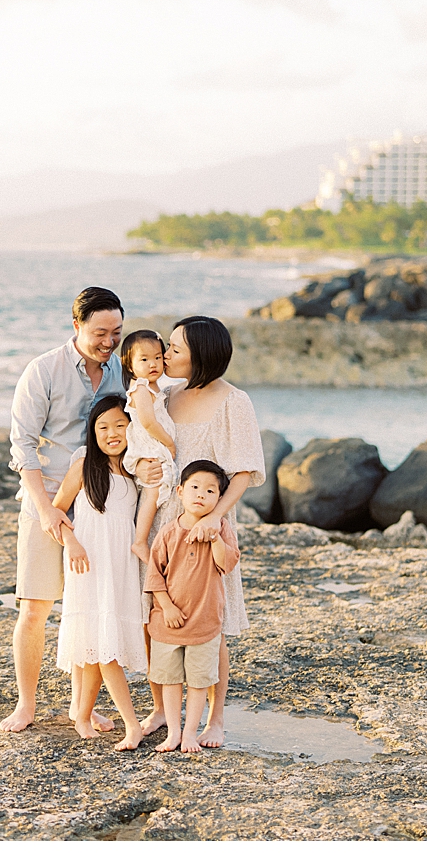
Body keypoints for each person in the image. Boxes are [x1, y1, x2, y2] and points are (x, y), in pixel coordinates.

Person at [1, 286, 127, 733]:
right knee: (35, 607)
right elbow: (22, 447)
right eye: (99, 333)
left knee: (89, 607)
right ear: (76, 326)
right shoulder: (43, 370)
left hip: (97, 502)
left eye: (116, 331)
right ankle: (26, 705)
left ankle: (83, 705)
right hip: (46, 498)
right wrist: (47, 509)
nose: (109, 341)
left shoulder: (121, 371)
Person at [138, 316, 264, 748]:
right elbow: (145, 449)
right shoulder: (165, 394)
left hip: (209, 525)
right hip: (162, 520)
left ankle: (215, 719)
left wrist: (216, 519)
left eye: (174, 348)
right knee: (156, 615)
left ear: (202, 353)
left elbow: (245, 471)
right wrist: (145, 467)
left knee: (212, 623)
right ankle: (160, 709)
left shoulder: (234, 401)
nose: (164, 354)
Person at [48, 395, 147, 750]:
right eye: (103, 427)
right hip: (88, 561)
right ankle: (131, 724)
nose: (112, 433)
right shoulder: (85, 465)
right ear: (92, 431)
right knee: (105, 648)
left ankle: (81, 712)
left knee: (97, 640)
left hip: (120, 566)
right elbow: (57, 513)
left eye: (120, 425)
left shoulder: (135, 469)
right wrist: (71, 543)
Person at [145, 460, 241, 753]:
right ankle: (173, 732)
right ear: (180, 491)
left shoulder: (221, 528)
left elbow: (227, 564)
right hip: (167, 623)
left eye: (210, 490)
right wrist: (167, 607)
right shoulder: (168, 533)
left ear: (218, 499)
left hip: (204, 622)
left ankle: (190, 733)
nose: (201, 494)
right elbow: (153, 575)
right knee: (171, 680)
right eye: (195, 487)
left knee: (199, 681)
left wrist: (213, 539)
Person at [117, 329, 176, 563]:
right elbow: (148, 422)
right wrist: (169, 442)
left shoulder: (154, 387)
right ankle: (140, 540)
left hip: (155, 443)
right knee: (153, 488)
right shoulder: (140, 388)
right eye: (144, 359)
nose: (153, 364)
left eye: (158, 357)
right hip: (149, 445)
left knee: (159, 488)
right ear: (130, 365)